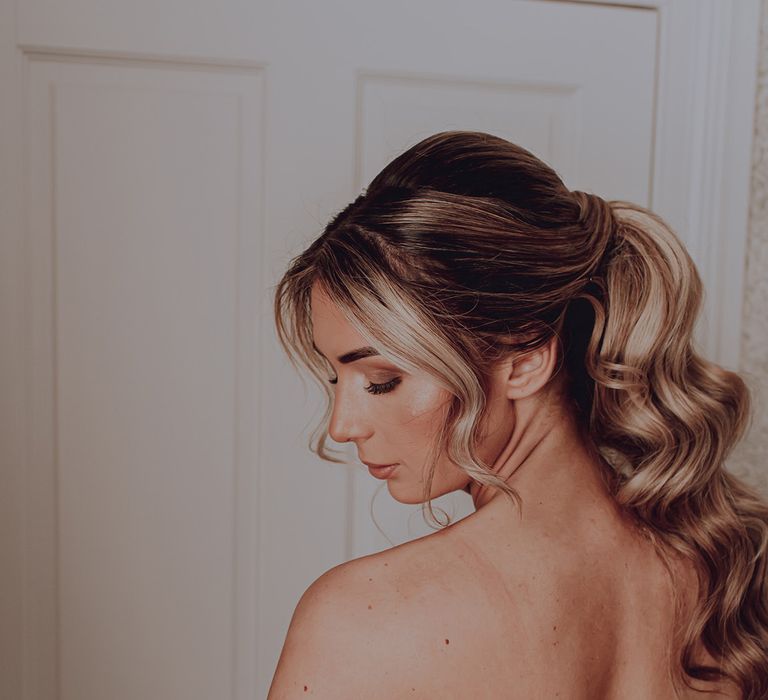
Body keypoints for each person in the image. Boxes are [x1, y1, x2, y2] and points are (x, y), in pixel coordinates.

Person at [267, 131, 767, 699]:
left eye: (383, 381)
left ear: (525, 361)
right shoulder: (716, 570)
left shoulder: (360, 620)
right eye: (337, 380)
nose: (341, 426)